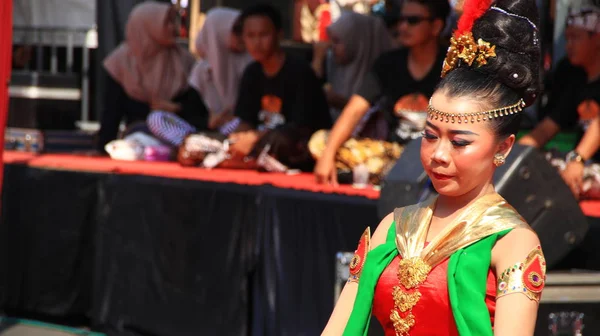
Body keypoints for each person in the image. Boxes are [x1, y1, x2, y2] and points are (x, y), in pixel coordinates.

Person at [322, 0, 546, 334]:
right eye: (429, 136)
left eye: (459, 142)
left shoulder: (512, 243)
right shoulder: (391, 229)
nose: (438, 154)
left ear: (503, 147)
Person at [314, 0, 450, 185]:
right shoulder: (387, 64)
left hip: (437, 154)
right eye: (400, 19)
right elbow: (355, 109)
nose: (403, 26)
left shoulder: (452, 67)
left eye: (412, 20)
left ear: (436, 26)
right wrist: (328, 155)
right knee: (321, 141)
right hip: (393, 155)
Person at [228, 4, 332, 171]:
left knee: (282, 139)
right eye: (250, 35)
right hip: (263, 145)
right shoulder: (251, 73)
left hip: (299, 149)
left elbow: (301, 127)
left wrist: (254, 138)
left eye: (263, 34)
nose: (256, 42)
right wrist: (237, 139)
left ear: (279, 35)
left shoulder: (300, 71)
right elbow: (245, 120)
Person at [97, 1, 204, 152]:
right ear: (147, 25)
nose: (174, 27)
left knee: (159, 120)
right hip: (139, 139)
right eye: (167, 22)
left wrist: (176, 109)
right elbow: (111, 114)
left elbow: (198, 111)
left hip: (179, 139)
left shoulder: (184, 61)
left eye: (173, 21)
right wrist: (103, 150)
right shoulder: (120, 63)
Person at [518, 3, 600, 157]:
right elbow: (547, 128)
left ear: (597, 38)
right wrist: (510, 157)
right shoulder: (574, 77)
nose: (568, 45)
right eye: (567, 38)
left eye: (575, 38)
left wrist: (578, 160)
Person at [312, 11, 394, 120]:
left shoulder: (381, 73)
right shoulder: (332, 62)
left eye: (337, 41)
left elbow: (378, 116)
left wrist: (342, 103)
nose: (331, 46)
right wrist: (317, 62)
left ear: (358, 42)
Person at [188, 8, 253, 131]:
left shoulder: (251, 63)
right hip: (206, 132)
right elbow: (192, 113)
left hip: (239, 128)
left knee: (238, 125)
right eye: (238, 31)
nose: (243, 36)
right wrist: (209, 122)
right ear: (217, 32)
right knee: (157, 118)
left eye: (246, 30)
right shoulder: (202, 70)